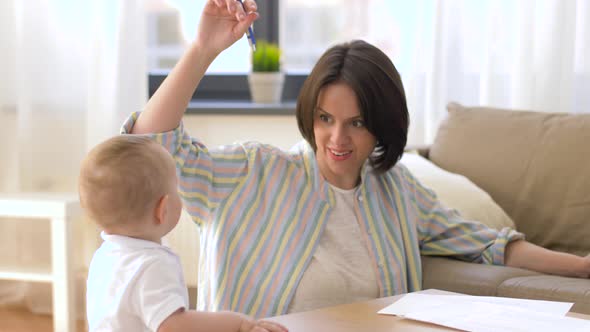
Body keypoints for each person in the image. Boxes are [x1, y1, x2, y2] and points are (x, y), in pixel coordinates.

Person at [124, 0, 590, 318]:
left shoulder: (399, 191)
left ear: (381, 126)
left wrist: (583, 266)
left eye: (357, 123)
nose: (337, 138)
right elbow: (152, 146)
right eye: (325, 118)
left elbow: (489, 243)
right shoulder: (254, 172)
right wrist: (203, 50)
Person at [79, 135, 288, 332]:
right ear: (163, 209)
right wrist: (238, 322)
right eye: (176, 189)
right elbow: (173, 325)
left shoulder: (104, 256)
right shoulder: (152, 264)